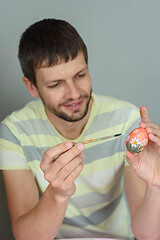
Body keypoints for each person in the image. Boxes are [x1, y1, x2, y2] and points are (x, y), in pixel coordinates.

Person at [0, 18, 160, 240]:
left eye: (80, 75)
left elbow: (148, 235)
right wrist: (58, 193)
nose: (74, 94)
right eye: (56, 84)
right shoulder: (14, 133)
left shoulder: (126, 120)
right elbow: (26, 237)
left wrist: (155, 186)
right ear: (32, 87)